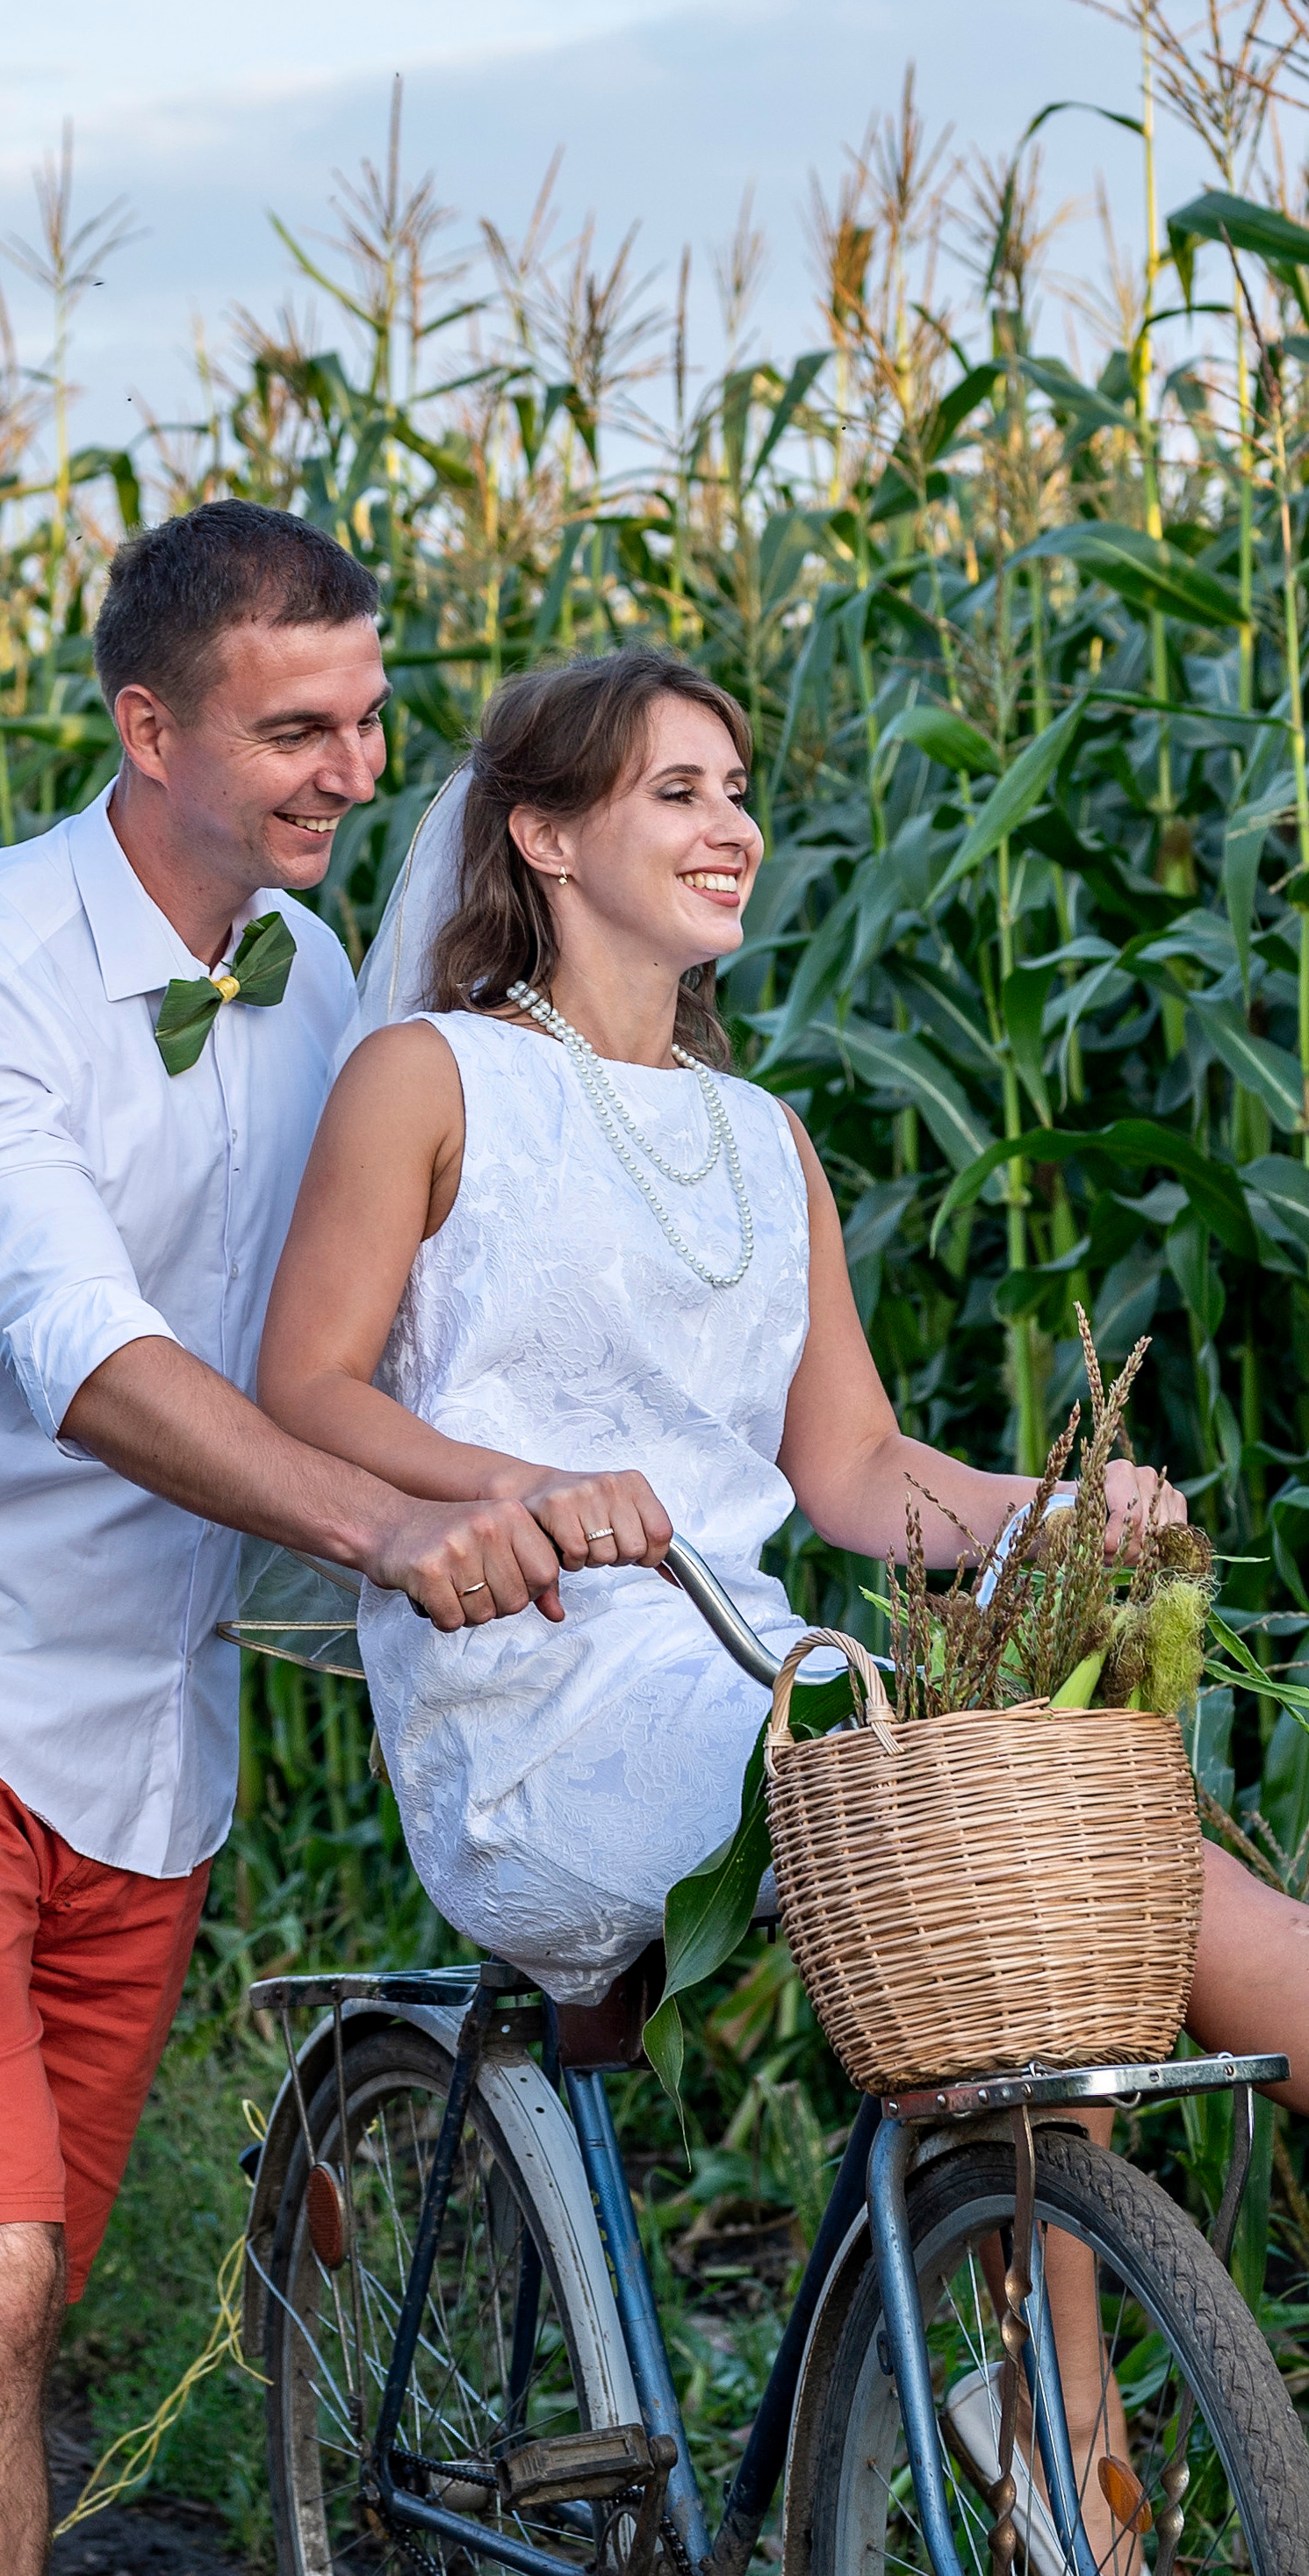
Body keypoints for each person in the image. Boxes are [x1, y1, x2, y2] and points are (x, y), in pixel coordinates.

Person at [257, 642, 1309, 2563]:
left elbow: (851, 1474)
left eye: (736, 788)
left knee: (1059, 1807)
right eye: (673, 789)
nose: (729, 822)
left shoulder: (763, 1139)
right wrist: (516, 1484)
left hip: (743, 1663)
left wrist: (1057, 1501)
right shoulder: (432, 1077)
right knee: (931, 1783)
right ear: (542, 834)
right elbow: (304, 1386)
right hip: (538, 1692)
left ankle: (1041, 2370)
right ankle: (1050, 2417)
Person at [0, 500, 564, 2576]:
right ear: (147, 728)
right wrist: (383, 1528)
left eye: (369, 720)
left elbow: (362, 1321)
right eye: (295, 729)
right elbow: (87, 1358)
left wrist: (533, 1490)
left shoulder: (307, 986)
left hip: (140, 1732)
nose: (354, 772)